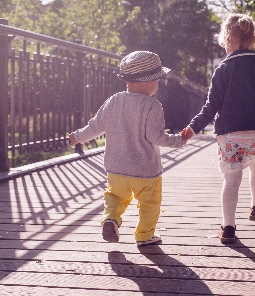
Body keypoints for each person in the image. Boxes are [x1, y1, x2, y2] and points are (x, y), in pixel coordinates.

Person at [181, 13, 255, 243]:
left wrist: (193, 128)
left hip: (231, 135)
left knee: (231, 179)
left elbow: (211, 106)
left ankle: (228, 228)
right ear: (253, 38)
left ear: (228, 39)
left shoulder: (223, 69)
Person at [69, 51, 185, 246]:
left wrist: (77, 137)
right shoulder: (152, 105)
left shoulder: (113, 101)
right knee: (149, 204)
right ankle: (144, 235)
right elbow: (156, 137)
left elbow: (95, 127)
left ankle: (111, 219)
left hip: (116, 168)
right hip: (146, 171)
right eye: (157, 80)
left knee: (114, 197)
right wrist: (179, 140)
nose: (158, 84)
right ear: (148, 82)